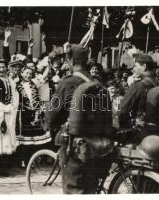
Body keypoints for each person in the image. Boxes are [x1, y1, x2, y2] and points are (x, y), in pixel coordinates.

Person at [45, 44, 112, 194]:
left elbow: (53, 112)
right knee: (91, 186)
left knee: (73, 188)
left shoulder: (68, 82)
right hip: (97, 143)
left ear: (70, 60)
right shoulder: (96, 82)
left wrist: (48, 124)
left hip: (76, 144)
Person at [16, 66, 52, 167]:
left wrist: (48, 66)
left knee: (33, 138)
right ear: (22, 73)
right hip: (23, 113)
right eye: (26, 73)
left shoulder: (34, 83)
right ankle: (22, 160)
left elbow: (43, 77)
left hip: (34, 112)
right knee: (24, 138)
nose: (28, 75)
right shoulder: (17, 84)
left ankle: (30, 160)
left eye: (30, 73)